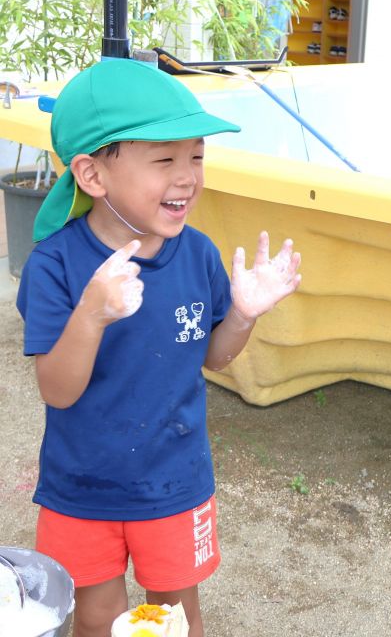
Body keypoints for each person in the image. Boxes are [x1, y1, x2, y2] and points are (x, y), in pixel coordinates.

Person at [16, 59, 301, 637]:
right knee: (97, 617)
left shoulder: (196, 254)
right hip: (82, 484)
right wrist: (91, 314)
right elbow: (57, 389)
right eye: (164, 159)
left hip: (174, 481)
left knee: (175, 617)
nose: (187, 176)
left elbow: (214, 356)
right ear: (92, 175)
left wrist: (243, 314)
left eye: (195, 156)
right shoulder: (56, 265)